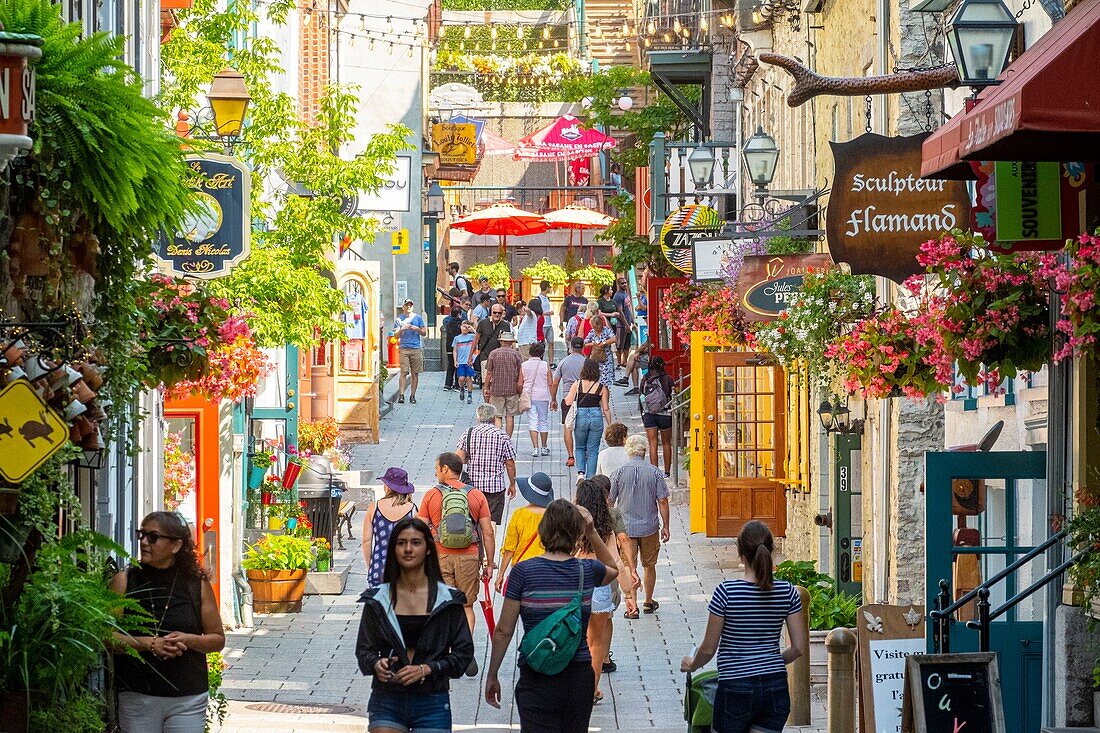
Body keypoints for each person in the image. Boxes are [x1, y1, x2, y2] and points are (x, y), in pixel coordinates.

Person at [484, 499, 620, 732]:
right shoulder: (587, 570)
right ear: (577, 535)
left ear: (542, 531)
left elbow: (504, 631)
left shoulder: (522, 572)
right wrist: (592, 531)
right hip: (577, 676)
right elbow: (613, 570)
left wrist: (493, 674)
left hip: (536, 673)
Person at [680, 521, 807, 733]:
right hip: (775, 687)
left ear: (741, 553)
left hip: (735, 688)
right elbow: (798, 648)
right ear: (771, 550)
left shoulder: (726, 593)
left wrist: (692, 664)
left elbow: (709, 648)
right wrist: (770, 660)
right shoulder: (788, 592)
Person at [356, 516, 475, 733]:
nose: (408, 549)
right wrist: (376, 664)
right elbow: (364, 650)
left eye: (416, 543)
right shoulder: (378, 600)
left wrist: (427, 669)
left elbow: (463, 654)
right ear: (393, 549)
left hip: (432, 700)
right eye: (401, 543)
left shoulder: (447, 600)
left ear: (428, 549)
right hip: (387, 698)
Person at [111, 511, 226, 733]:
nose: (144, 542)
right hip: (138, 694)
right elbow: (105, 637)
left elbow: (217, 639)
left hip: (188, 696)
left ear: (175, 546)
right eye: (141, 535)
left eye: (152, 537)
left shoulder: (196, 585)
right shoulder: (124, 582)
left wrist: (189, 640)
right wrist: (150, 644)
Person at [417, 452, 496, 677]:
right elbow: (488, 532)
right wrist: (489, 563)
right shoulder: (475, 495)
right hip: (469, 556)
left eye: (436, 468)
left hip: (440, 556)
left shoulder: (432, 495)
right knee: (466, 606)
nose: (435, 472)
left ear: (444, 469)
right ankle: (464, 651)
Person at [574, 478, 625, 705]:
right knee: (595, 643)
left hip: (575, 586)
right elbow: (616, 563)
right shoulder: (605, 529)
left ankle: (573, 685)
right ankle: (591, 690)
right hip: (600, 587)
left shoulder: (571, 526)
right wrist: (630, 594)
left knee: (576, 639)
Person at [610, 435, 670, 616]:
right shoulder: (655, 472)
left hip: (625, 528)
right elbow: (663, 501)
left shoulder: (618, 472)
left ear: (628, 451)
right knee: (649, 564)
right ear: (644, 451)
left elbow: (610, 501)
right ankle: (648, 602)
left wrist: (610, 527)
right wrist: (666, 526)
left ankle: (632, 605)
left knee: (628, 565)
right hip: (649, 526)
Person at [456, 403, 518, 527]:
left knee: (472, 521)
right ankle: (489, 546)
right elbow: (510, 463)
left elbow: (459, 458)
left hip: (472, 487)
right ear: (494, 418)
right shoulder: (503, 436)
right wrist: (512, 484)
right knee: (491, 522)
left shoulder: (468, 433)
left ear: (478, 418)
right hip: (495, 487)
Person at [494, 471, 554, 594]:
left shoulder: (519, 515)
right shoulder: (555, 516)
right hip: (548, 572)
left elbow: (510, 549)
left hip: (522, 571)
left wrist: (501, 574)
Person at [363, 467, 418, 587]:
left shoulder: (374, 508)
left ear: (388, 486)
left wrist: (371, 566)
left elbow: (366, 542)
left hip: (379, 568)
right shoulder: (412, 510)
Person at [565, 358, 611, 482]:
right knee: (593, 449)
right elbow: (605, 408)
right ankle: (590, 478)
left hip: (581, 415)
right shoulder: (602, 387)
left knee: (580, 447)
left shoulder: (577, 384)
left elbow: (568, 401)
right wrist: (610, 424)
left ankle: (580, 473)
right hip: (596, 415)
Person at [552, 337, 587, 469]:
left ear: (571, 347)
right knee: (582, 427)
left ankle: (571, 456)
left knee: (567, 427)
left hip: (567, 398)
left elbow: (555, 383)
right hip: (584, 398)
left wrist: (553, 399)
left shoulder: (563, 362)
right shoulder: (586, 362)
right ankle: (583, 454)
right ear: (582, 347)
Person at [640, 356, 676, 477]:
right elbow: (673, 395)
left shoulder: (645, 379)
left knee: (652, 443)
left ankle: (654, 472)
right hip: (665, 414)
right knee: (666, 443)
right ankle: (667, 472)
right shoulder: (668, 379)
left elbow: (641, 397)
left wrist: (643, 415)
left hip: (649, 414)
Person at [484, 330, 524, 438]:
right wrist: (520, 389)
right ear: (511, 342)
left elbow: (489, 373)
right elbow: (521, 372)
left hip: (496, 388)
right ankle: (507, 439)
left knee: (497, 416)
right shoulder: (517, 354)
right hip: (512, 389)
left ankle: (497, 438)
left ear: (501, 341)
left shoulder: (493, 353)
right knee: (510, 416)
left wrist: (486, 387)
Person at [520, 341, 554, 457]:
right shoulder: (545, 365)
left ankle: (535, 448)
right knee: (543, 421)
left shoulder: (523, 365)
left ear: (530, 352)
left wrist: (521, 393)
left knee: (532, 421)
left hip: (529, 396)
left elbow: (520, 383)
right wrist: (553, 398)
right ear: (541, 353)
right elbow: (550, 383)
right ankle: (544, 447)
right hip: (542, 396)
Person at [394, 299, 426, 404]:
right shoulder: (399, 319)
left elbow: (424, 332)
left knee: (415, 373)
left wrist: (416, 329)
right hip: (404, 348)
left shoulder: (418, 318)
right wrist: (402, 329)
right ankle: (401, 394)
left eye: (410, 305)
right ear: (403, 307)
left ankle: (412, 395)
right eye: (407, 305)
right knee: (403, 372)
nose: (409, 307)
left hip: (416, 348)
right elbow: (395, 336)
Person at [474, 302, 511, 386]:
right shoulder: (483, 323)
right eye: (495, 312)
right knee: (486, 381)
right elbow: (476, 339)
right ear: (491, 312)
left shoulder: (506, 325)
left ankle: (492, 398)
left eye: (499, 313)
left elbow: (508, 342)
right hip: (485, 355)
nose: (497, 314)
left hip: (500, 357)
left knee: (496, 381)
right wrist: (470, 357)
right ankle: (486, 399)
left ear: (502, 313)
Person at [583, 312, 617, 388]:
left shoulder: (606, 330)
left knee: (605, 384)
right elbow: (585, 342)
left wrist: (604, 343)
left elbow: (614, 338)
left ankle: (605, 397)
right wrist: (592, 344)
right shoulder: (592, 332)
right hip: (595, 359)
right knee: (595, 381)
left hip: (606, 359)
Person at [452, 319, 478, 404]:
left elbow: (478, 336)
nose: (465, 328)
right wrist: (455, 360)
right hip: (460, 361)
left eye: (467, 327)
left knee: (469, 378)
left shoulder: (471, 336)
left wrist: (472, 329)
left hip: (469, 361)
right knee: (461, 378)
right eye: (463, 326)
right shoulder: (457, 338)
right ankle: (462, 388)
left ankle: (470, 394)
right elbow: (455, 350)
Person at [613, 276, 635, 368]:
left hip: (628, 322)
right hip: (621, 325)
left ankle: (624, 362)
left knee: (627, 345)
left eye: (625, 283)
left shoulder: (626, 294)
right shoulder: (618, 296)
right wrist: (626, 324)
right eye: (622, 283)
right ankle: (619, 362)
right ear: (618, 284)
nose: (625, 284)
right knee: (620, 345)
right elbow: (620, 311)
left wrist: (632, 320)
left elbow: (628, 309)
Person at [442, 306, 466, 392]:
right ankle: (457, 384)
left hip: (449, 346)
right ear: (459, 314)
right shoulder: (460, 323)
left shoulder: (448, 322)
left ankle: (447, 384)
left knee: (450, 365)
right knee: (458, 364)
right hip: (458, 346)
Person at [538, 280, 555, 366]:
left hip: (549, 323)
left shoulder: (547, 298)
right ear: (547, 288)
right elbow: (538, 312)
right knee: (542, 343)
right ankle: (540, 360)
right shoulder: (538, 299)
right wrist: (547, 313)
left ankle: (551, 362)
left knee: (551, 343)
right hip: (543, 324)